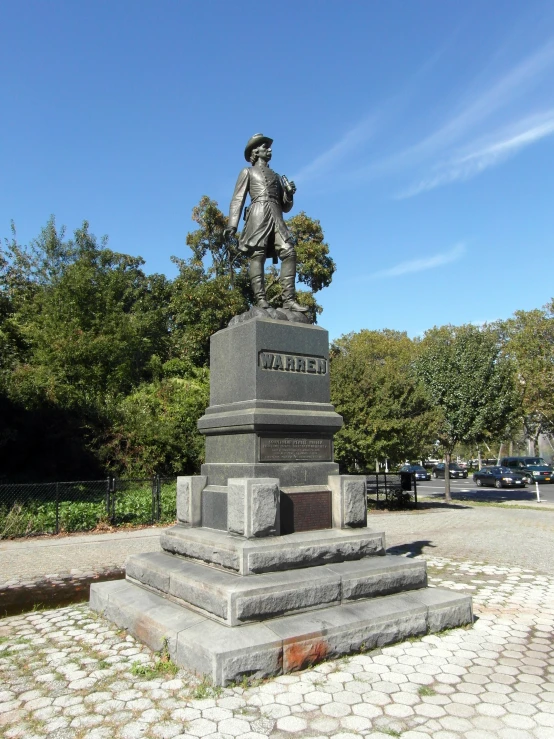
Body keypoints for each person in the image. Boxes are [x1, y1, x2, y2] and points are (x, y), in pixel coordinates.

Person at [223, 133, 308, 312]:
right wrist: (232, 225)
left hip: (276, 214)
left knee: (289, 251)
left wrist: (289, 194)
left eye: (269, 147)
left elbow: (285, 207)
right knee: (258, 254)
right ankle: (260, 298)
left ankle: (289, 300)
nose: (268, 150)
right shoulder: (247, 172)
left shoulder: (276, 176)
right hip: (258, 213)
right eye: (264, 147)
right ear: (255, 151)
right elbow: (238, 199)